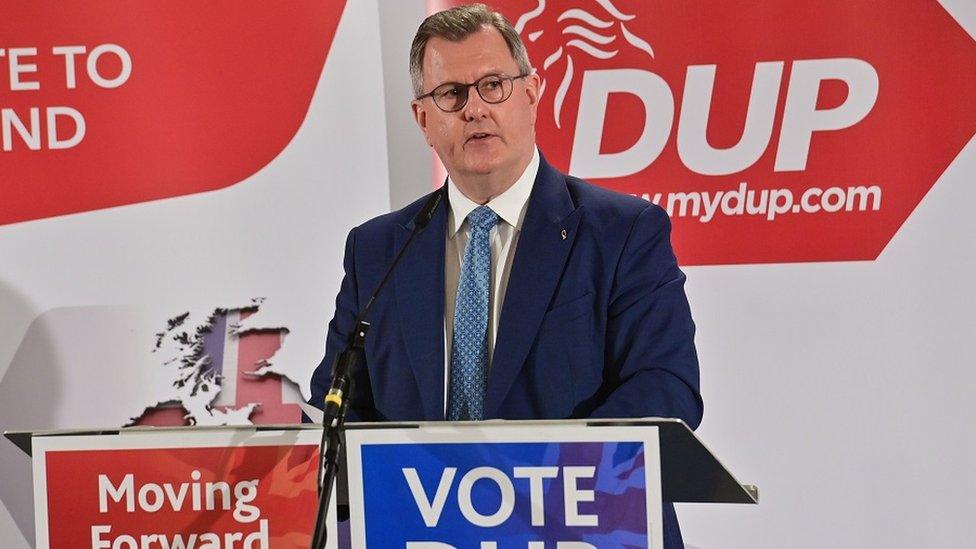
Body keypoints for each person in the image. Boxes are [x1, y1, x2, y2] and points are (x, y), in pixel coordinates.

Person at [309, 4, 702, 547]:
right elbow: (338, 400)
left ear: (532, 93)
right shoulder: (376, 250)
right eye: (450, 94)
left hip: (578, 532)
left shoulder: (623, 232)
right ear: (423, 119)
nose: (474, 109)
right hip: (421, 534)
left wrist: (521, 483)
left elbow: (667, 390)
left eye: (493, 85)